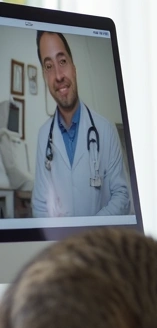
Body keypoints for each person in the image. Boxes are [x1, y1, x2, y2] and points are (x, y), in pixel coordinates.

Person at [32, 31, 130, 217]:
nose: (58, 75)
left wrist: (91, 231)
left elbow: (122, 196)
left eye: (62, 61)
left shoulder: (106, 130)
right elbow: (40, 205)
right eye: (49, 66)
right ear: (44, 76)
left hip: (99, 236)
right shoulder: (44, 135)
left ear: (73, 67)